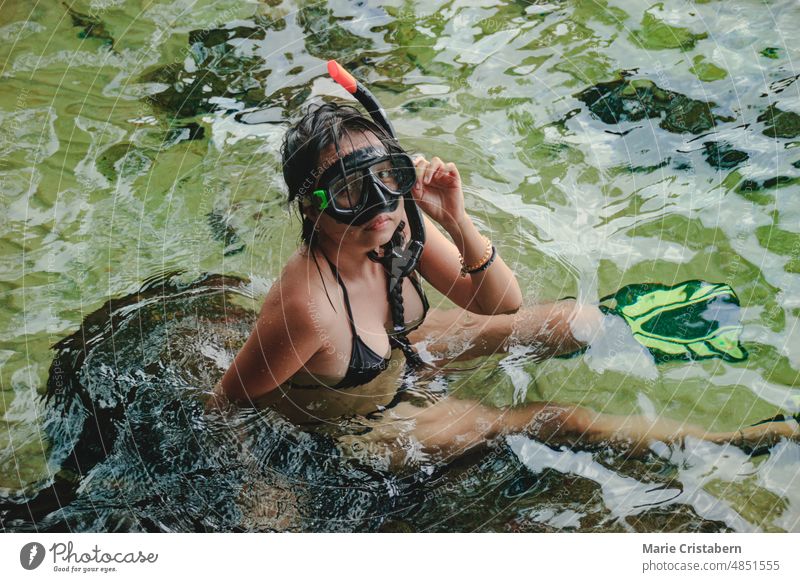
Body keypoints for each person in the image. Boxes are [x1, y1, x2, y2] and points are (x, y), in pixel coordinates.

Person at [213, 101, 798, 468]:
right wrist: (262, 486)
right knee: (553, 419)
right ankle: (726, 440)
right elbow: (226, 407)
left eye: (386, 177)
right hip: (360, 413)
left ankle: (671, 331)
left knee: (569, 319)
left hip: (400, 349)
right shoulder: (305, 309)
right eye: (349, 192)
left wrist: (455, 219)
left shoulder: (394, 227)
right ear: (312, 210)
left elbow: (500, 306)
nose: (377, 204)